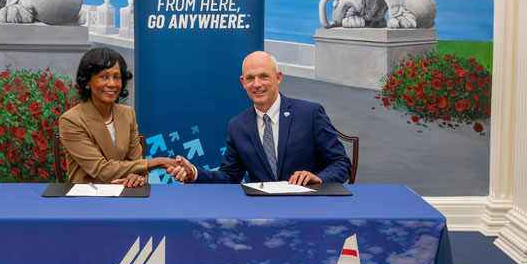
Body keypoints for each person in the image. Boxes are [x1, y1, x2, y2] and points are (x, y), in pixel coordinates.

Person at [168, 51, 351, 185]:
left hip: (309, 207)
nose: (257, 84)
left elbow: (341, 163)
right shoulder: (237, 126)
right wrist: (194, 172)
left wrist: (319, 178)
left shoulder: (310, 114)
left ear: (278, 77)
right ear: (243, 82)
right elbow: (229, 177)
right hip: (261, 214)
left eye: (264, 76)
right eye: (250, 78)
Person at [59, 48, 176, 186]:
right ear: (87, 81)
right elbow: (101, 170)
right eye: (103, 76)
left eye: (117, 77)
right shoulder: (71, 120)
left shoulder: (127, 114)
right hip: (88, 199)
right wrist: (158, 162)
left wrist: (137, 178)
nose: (112, 84)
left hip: (126, 195)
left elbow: (137, 165)